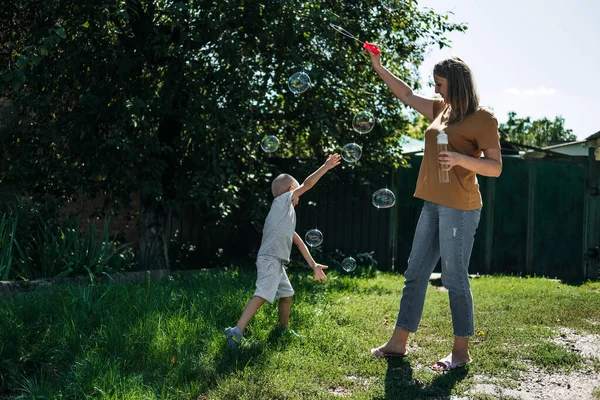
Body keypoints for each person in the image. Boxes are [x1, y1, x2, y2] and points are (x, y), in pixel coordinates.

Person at [365, 50, 503, 371]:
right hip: (432, 203)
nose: (436, 90)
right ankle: (398, 343)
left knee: (454, 279)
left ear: (455, 83)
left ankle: (460, 352)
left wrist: (459, 159)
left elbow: (495, 167)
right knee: (415, 272)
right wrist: (378, 66)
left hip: (461, 209)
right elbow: (407, 94)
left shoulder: (483, 118)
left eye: (439, 84)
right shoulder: (443, 110)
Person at [225, 153, 342, 350]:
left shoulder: (285, 217)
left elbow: (299, 243)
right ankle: (236, 331)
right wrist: (325, 167)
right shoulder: (281, 203)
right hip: (270, 259)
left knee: (287, 294)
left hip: (277, 262)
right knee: (262, 294)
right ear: (290, 190)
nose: (299, 196)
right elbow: (308, 184)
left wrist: (314, 265)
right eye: (296, 191)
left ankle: (283, 328)